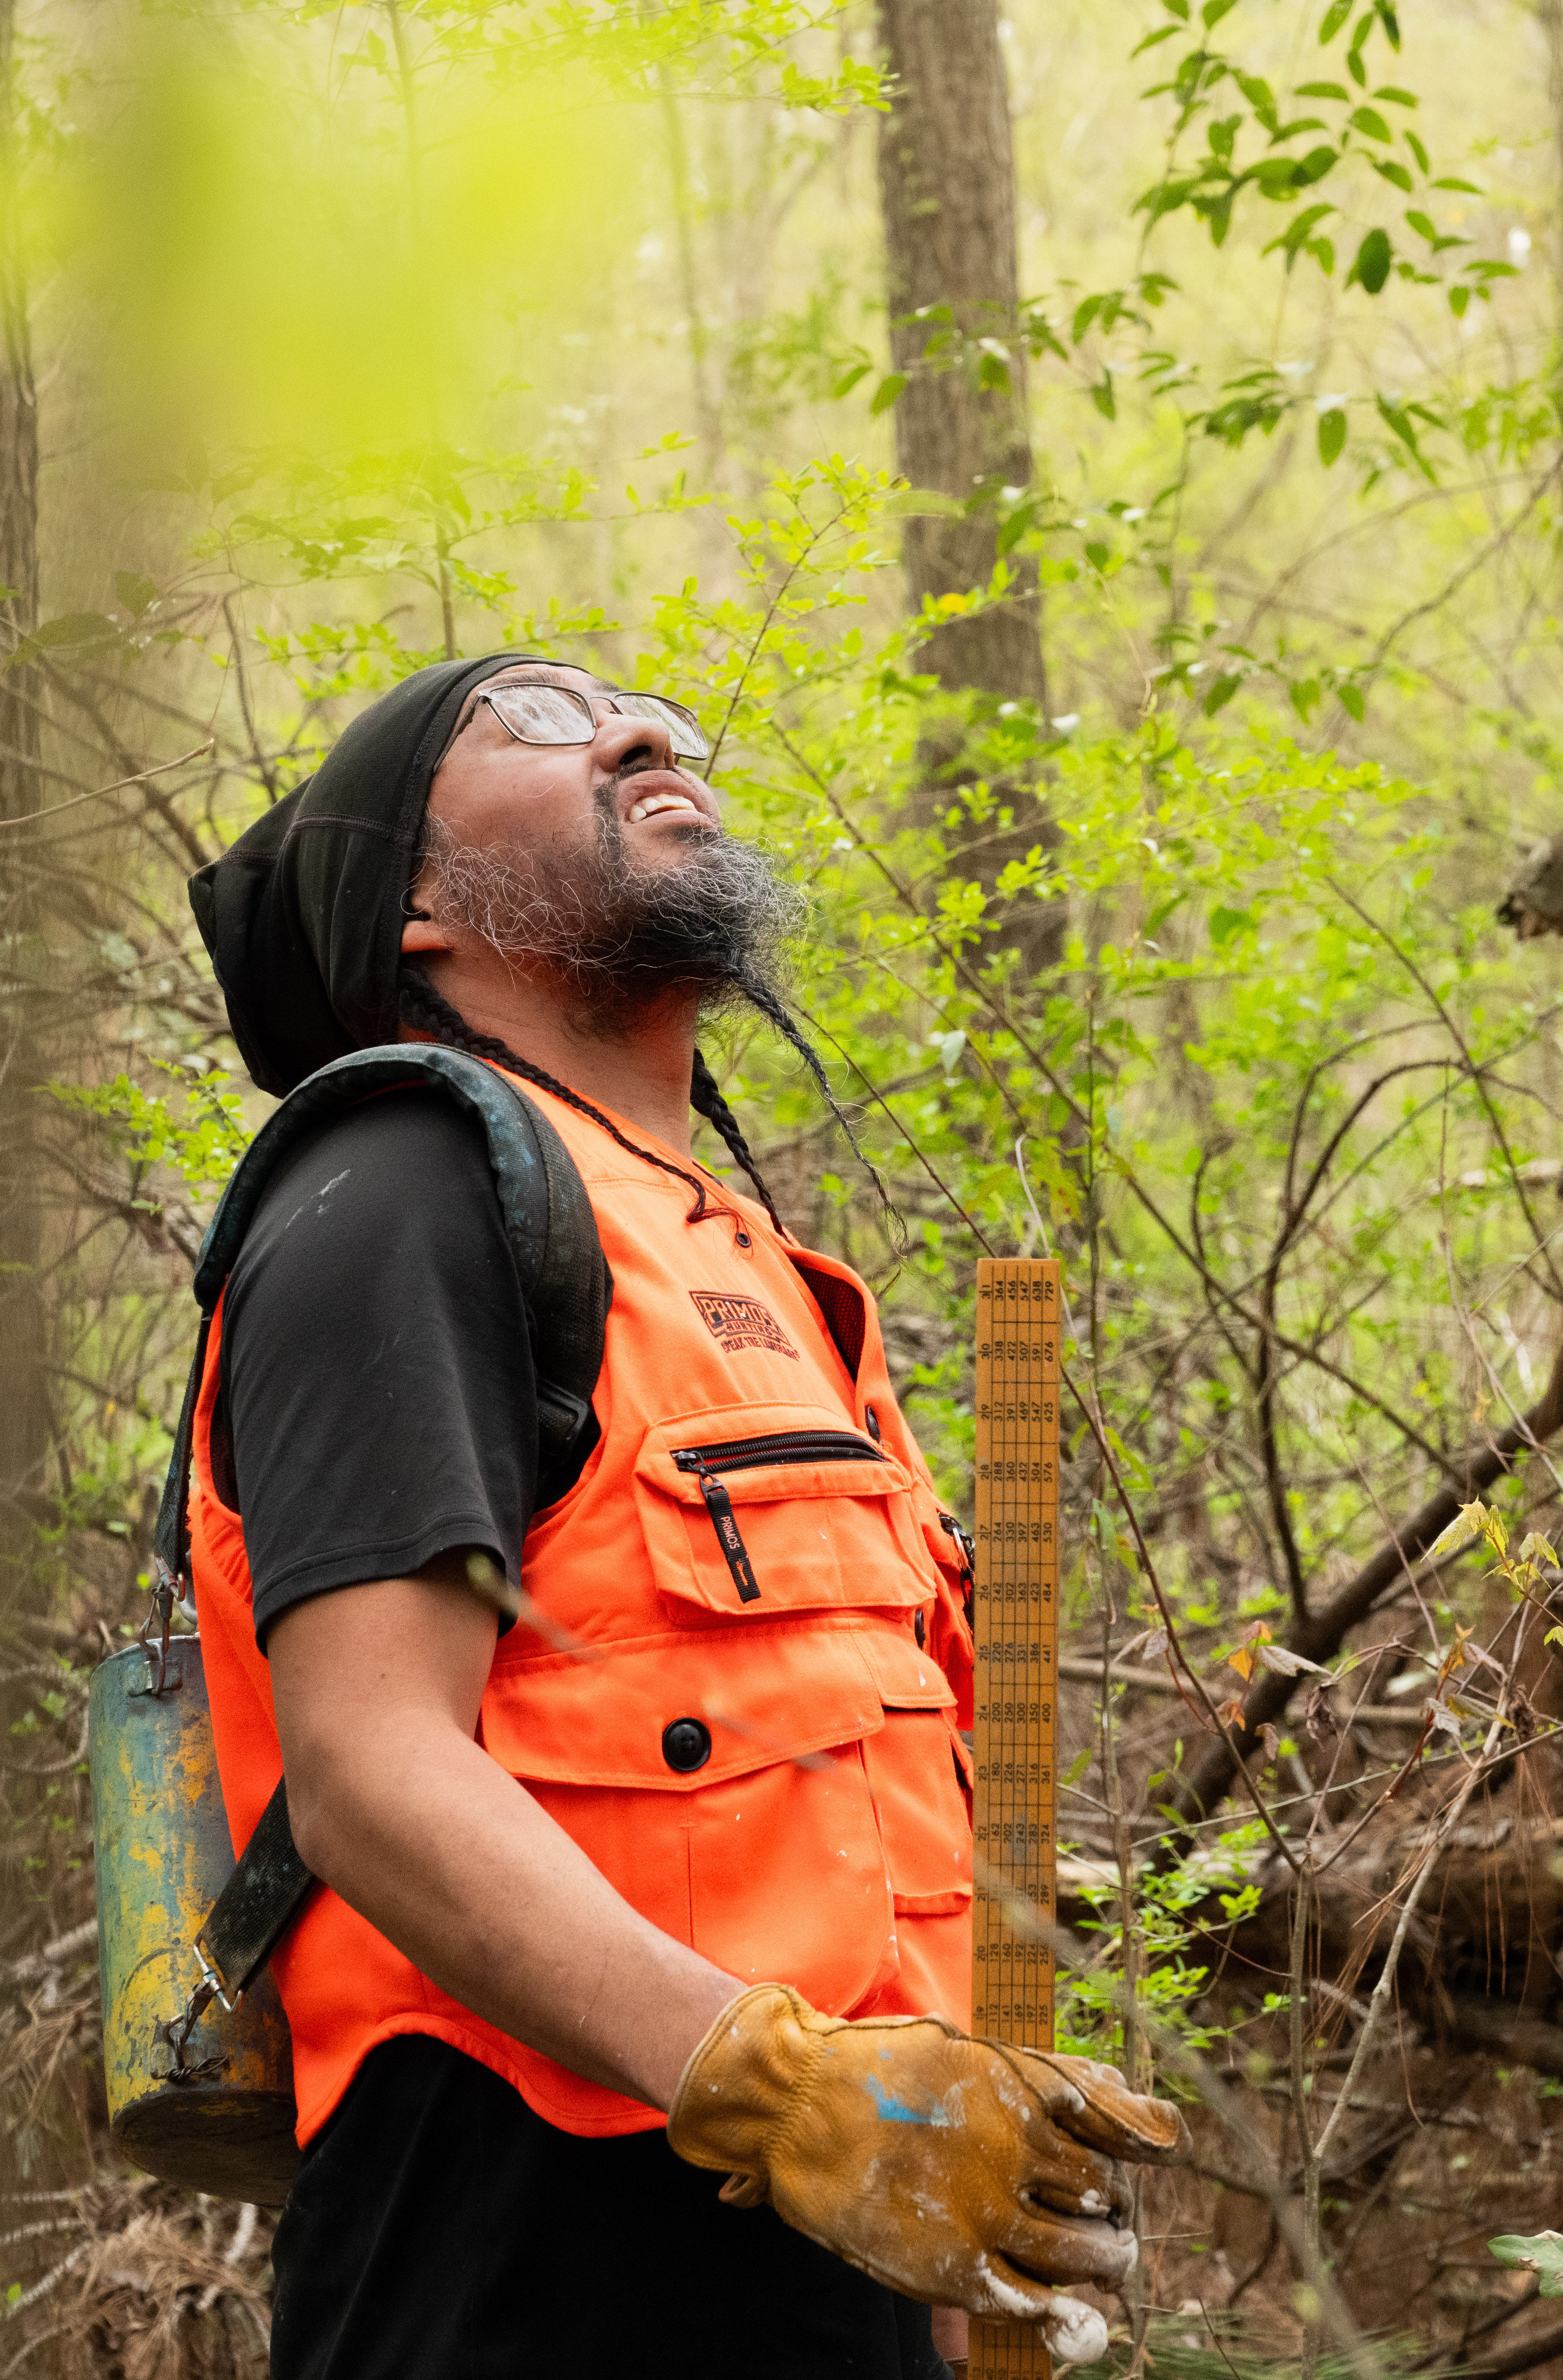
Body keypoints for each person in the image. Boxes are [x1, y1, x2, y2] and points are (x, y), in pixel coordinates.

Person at [181, 651, 1176, 2378]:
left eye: (651, 714)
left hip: (834, 2279)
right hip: (521, 2272)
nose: (641, 732)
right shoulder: (397, 1189)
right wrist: (780, 2089)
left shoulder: (761, 1280)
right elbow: (368, 1765)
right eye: (542, 719)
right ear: (418, 900)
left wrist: (942, 2220)